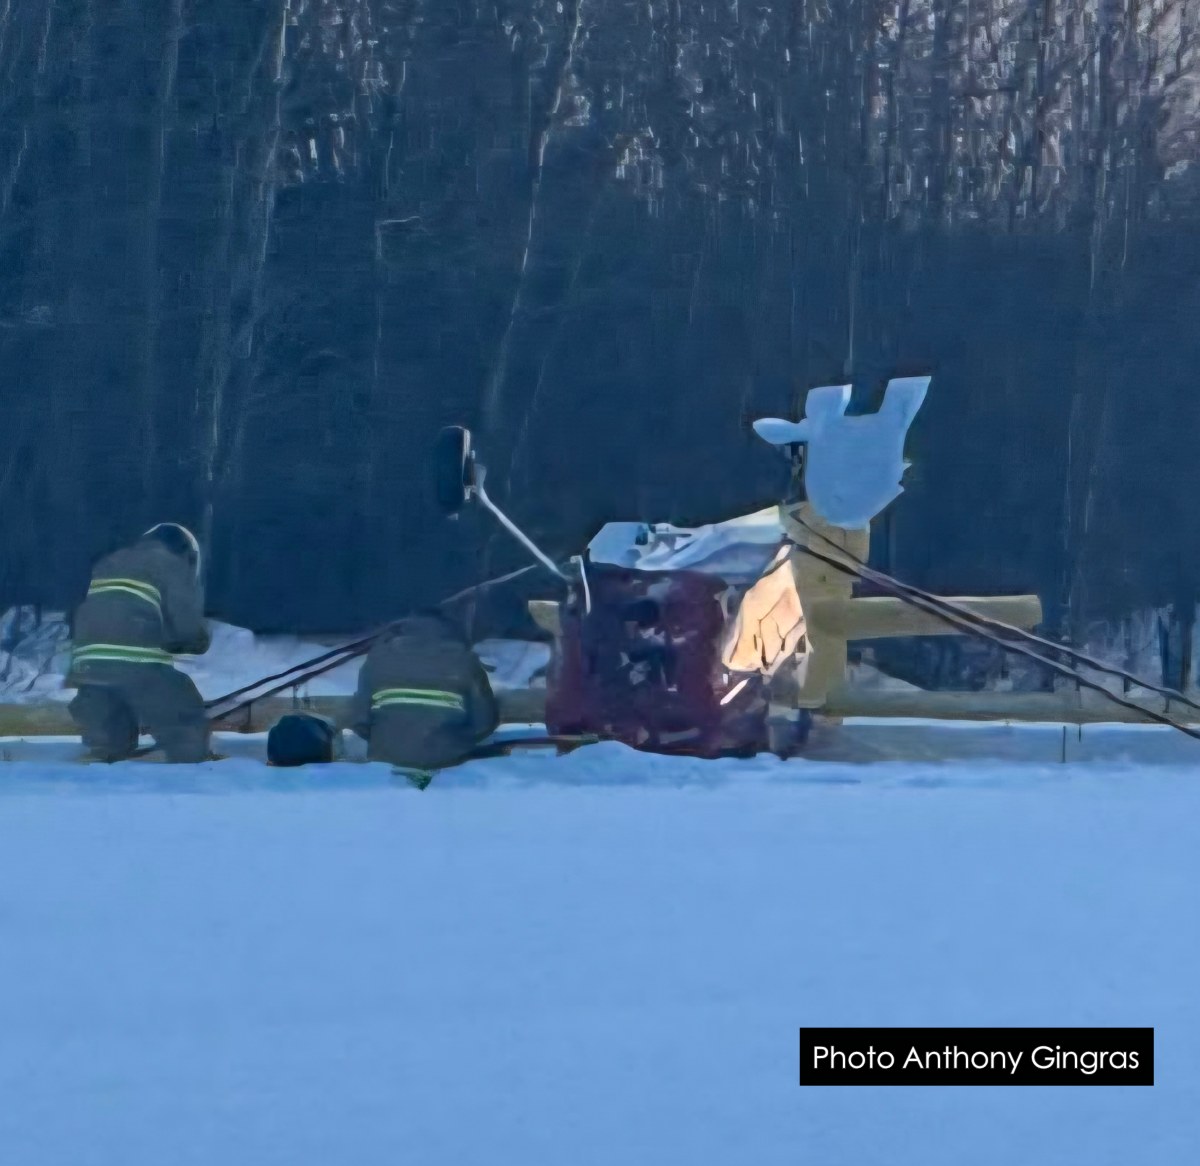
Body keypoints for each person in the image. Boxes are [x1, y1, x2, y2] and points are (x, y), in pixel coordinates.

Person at [66, 523, 213, 763]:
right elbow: (186, 628)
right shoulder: (170, 563)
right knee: (184, 722)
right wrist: (196, 642)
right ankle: (193, 776)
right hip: (137, 664)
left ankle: (107, 763)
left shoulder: (106, 564)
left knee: (110, 739)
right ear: (186, 553)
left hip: (88, 667)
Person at [349, 610, 499, 787]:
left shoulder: (376, 658)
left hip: (385, 766)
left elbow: (359, 720)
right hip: (452, 767)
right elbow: (484, 723)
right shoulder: (466, 660)